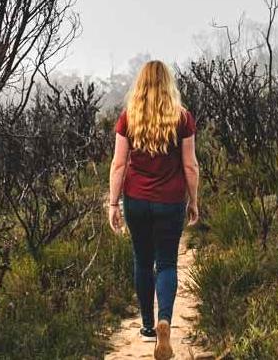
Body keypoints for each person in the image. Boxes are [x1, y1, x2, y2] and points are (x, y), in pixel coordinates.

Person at [106, 60, 200, 360]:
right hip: (170, 202)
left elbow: (119, 164)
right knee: (168, 264)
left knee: (143, 262)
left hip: (136, 201)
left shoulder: (128, 118)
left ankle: (147, 326)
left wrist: (113, 203)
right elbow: (190, 165)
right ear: (168, 85)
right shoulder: (182, 118)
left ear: (141, 85)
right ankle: (165, 321)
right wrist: (194, 200)